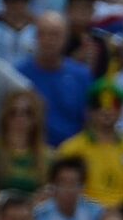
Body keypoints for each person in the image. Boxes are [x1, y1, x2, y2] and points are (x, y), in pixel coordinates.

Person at [55, 80, 123, 210]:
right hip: (83, 213)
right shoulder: (70, 149)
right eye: (99, 104)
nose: (106, 110)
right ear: (88, 111)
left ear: (122, 110)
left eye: (114, 104)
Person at [18, 12, 93, 147]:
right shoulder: (18, 74)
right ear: (36, 37)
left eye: (54, 34)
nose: (48, 40)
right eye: (43, 34)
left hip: (72, 153)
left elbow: (89, 121)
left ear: (66, 38)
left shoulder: (82, 76)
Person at [0, 90, 48, 195]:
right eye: (13, 112)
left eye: (27, 113)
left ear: (35, 119)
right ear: (5, 117)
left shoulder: (48, 156)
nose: (20, 118)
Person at [33, 156, 103, 220]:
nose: (69, 189)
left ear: (82, 186)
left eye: (74, 183)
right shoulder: (40, 215)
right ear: (53, 185)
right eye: (63, 183)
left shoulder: (97, 214)